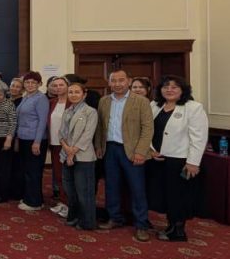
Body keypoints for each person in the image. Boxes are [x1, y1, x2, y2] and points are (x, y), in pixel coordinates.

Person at [146, 76, 209, 242]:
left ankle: (178, 230)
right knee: (164, 195)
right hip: (158, 159)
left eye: (174, 87)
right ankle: (170, 225)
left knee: (179, 196)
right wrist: (150, 150)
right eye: (166, 86)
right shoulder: (154, 105)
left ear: (183, 90)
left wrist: (193, 162)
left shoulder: (193, 108)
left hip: (180, 160)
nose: (169, 90)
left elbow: (199, 137)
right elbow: (146, 130)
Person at [95, 69, 154, 242]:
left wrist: (141, 151)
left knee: (137, 189)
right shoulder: (104, 101)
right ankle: (115, 218)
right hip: (110, 149)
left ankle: (141, 225)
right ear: (109, 83)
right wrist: (99, 146)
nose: (117, 84)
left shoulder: (141, 101)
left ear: (128, 81)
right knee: (111, 186)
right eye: (114, 81)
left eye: (121, 80)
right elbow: (100, 126)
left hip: (132, 150)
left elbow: (148, 128)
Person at [59, 82, 99, 230]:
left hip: (83, 157)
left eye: (77, 92)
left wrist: (72, 151)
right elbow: (61, 133)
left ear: (84, 94)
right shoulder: (67, 111)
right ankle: (73, 216)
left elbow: (87, 136)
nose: (73, 95)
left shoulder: (90, 112)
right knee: (70, 190)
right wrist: (67, 149)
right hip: (66, 154)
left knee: (84, 191)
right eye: (70, 92)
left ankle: (87, 222)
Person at [15, 71, 49, 211]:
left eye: (33, 83)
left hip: (34, 140)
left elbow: (42, 121)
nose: (30, 85)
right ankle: (31, 197)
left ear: (39, 84)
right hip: (24, 138)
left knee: (33, 171)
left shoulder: (41, 98)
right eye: (27, 82)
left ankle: (34, 202)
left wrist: (37, 141)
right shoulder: (26, 97)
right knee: (27, 170)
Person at [47, 75, 70, 216]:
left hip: (68, 146)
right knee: (58, 175)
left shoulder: (72, 102)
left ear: (67, 86)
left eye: (61, 85)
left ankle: (70, 204)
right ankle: (62, 202)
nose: (58, 88)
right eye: (55, 85)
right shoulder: (52, 102)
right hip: (55, 144)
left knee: (69, 176)